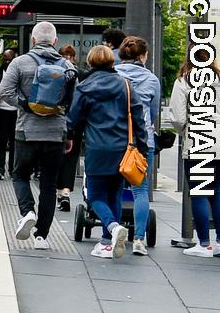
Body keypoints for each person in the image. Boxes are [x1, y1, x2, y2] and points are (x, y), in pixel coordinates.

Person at [67, 43, 153, 259]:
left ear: (90, 62)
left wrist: (67, 138)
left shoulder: (84, 87)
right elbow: (139, 118)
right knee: (115, 193)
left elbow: (74, 119)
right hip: (122, 149)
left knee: (95, 195)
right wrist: (142, 147)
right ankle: (107, 242)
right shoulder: (126, 86)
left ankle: (113, 229)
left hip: (97, 148)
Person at [0, 22, 77, 250]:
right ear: (55, 42)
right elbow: (73, 102)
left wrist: (25, 105)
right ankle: (42, 236)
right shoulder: (67, 66)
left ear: (33, 41)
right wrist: (68, 133)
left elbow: (4, 92)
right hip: (56, 134)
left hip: (27, 131)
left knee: (20, 174)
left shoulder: (20, 62)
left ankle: (27, 211)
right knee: (49, 184)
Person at [115, 36, 163, 253]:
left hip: (114, 138)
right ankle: (139, 240)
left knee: (113, 187)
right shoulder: (152, 80)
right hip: (142, 142)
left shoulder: (112, 75)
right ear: (143, 56)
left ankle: (113, 233)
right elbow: (153, 113)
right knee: (140, 190)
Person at [170, 61, 219, 257]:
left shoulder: (184, 81)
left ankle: (204, 244)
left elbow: (178, 117)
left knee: (200, 193)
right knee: (217, 192)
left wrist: (185, 131)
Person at [56, 44, 80, 211]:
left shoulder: (54, 72)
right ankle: (65, 192)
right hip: (74, 122)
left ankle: (59, 192)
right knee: (71, 158)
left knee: (56, 157)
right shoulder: (80, 74)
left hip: (55, 120)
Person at [0, 52, 19, 178]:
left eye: (9, 60)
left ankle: (13, 169)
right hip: (0, 110)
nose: (7, 62)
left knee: (14, 141)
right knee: (1, 140)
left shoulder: (19, 73)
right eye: (5, 59)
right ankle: (0, 168)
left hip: (15, 111)